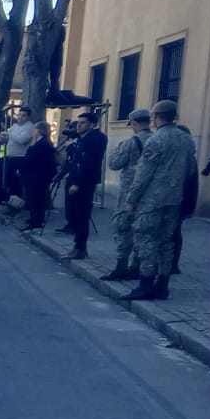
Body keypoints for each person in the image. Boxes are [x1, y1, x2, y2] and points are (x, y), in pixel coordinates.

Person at [120, 101, 199, 300]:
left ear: (157, 117)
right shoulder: (187, 140)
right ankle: (163, 284)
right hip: (175, 199)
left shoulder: (156, 140)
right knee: (167, 241)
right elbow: (191, 171)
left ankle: (146, 283)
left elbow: (143, 174)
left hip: (152, 201)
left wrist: (131, 200)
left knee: (146, 239)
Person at [99, 109, 153, 282]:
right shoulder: (157, 139)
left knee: (123, 229)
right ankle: (136, 266)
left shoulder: (131, 142)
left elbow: (114, 164)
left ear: (135, 123)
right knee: (142, 230)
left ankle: (121, 266)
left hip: (128, 193)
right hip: (149, 194)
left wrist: (116, 151)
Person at [61, 113, 107, 259]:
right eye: (78, 122)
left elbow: (87, 164)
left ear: (92, 124)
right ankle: (78, 246)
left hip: (84, 182)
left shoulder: (94, 139)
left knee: (82, 215)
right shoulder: (84, 138)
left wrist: (76, 183)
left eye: (83, 123)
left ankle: (80, 248)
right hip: (78, 179)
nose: (78, 125)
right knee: (77, 213)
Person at [19, 122, 57, 232]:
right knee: (33, 198)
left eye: (34, 129)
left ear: (40, 130)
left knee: (36, 199)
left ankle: (36, 221)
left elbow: (31, 158)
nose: (33, 131)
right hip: (35, 175)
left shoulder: (43, 144)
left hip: (38, 176)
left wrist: (21, 169)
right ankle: (33, 218)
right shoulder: (39, 142)